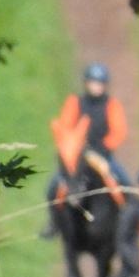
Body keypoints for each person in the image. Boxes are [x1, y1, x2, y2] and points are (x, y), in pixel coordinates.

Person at [45, 62, 129, 226]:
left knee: (124, 182)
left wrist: (103, 147)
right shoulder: (75, 102)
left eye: (100, 83)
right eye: (93, 83)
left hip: (102, 155)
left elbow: (119, 132)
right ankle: (54, 222)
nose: (96, 87)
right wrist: (76, 148)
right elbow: (66, 127)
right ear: (86, 83)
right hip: (78, 157)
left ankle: (126, 221)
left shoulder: (112, 105)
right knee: (55, 186)